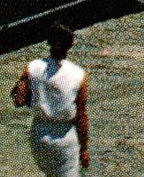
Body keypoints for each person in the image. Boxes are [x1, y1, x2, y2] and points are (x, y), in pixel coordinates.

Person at [12, 22, 90, 175]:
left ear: (48, 42)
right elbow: (81, 117)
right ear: (70, 45)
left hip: (38, 135)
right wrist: (84, 148)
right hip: (64, 138)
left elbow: (18, 100)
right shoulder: (78, 75)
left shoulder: (31, 67)